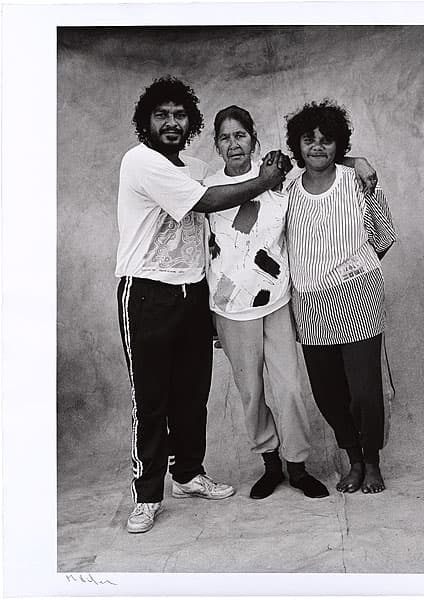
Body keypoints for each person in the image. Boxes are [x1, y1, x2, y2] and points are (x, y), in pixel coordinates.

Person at [115, 77, 288, 533]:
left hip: (193, 293)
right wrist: (266, 178)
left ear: (190, 123)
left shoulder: (191, 164)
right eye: (161, 115)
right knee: (151, 400)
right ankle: (147, 495)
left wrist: (275, 168)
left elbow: (234, 183)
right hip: (148, 292)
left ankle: (188, 475)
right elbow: (210, 200)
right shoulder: (142, 162)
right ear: (146, 122)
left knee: (192, 396)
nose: (171, 123)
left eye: (179, 115)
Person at [205, 105, 379, 500]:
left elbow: (319, 163)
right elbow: (202, 252)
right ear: (216, 145)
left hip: (279, 302)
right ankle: (270, 465)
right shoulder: (207, 189)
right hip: (230, 310)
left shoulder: (279, 180)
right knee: (251, 393)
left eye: (241, 135)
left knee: (290, 390)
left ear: (254, 139)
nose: (234, 144)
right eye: (225, 137)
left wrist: (357, 159)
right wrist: (206, 315)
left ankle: (297, 467)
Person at [285, 100, 397, 494]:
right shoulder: (286, 191)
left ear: (340, 145)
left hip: (358, 299)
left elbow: (382, 235)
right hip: (311, 306)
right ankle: (353, 459)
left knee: (365, 391)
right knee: (329, 393)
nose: (318, 147)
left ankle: (373, 462)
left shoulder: (358, 181)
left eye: (327, 140)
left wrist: (353, 270)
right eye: (309, 139)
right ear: (296, 145)